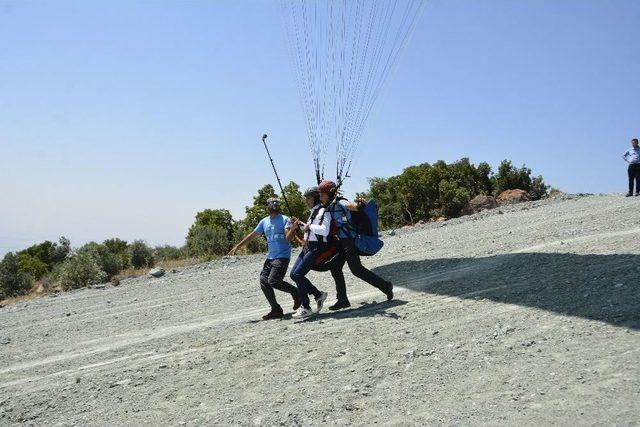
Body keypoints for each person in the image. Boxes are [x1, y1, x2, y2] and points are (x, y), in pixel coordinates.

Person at [318, 180, 393, 311]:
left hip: (350, 241)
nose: (320, 198)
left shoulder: (341, 202)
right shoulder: (329, 206)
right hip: (341, 242)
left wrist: (359, 203)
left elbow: (353, 206)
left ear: (330, 194)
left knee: (357, 270)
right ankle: (342, 300)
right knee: (335, 267)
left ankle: (386, 286)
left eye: (322, 195)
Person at [228, 197, 300, 320]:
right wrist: (238, 246)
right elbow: (253, 235)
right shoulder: (264, 221)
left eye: (277, 203)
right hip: (271, 257)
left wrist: (292, 229)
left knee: (273, 281)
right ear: (267, 206)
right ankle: (276, 309)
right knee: (263, 281)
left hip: (282, 256)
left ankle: (296, 293)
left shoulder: (285, 219)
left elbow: (288, 237)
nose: (275, 204)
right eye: (272, 203)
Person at [287, 187, 330, 319]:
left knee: (298, 274)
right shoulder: (313, 213)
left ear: (316, 198)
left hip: (317, 247)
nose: (306, 200)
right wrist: (298, 224)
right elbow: (308, 229)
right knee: (294, 274)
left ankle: (306, 307)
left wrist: (308, 226)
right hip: (307, 247)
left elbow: (324, 230)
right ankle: (318, 295)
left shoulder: (323, 211)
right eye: (305, 198)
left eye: (309, 198)